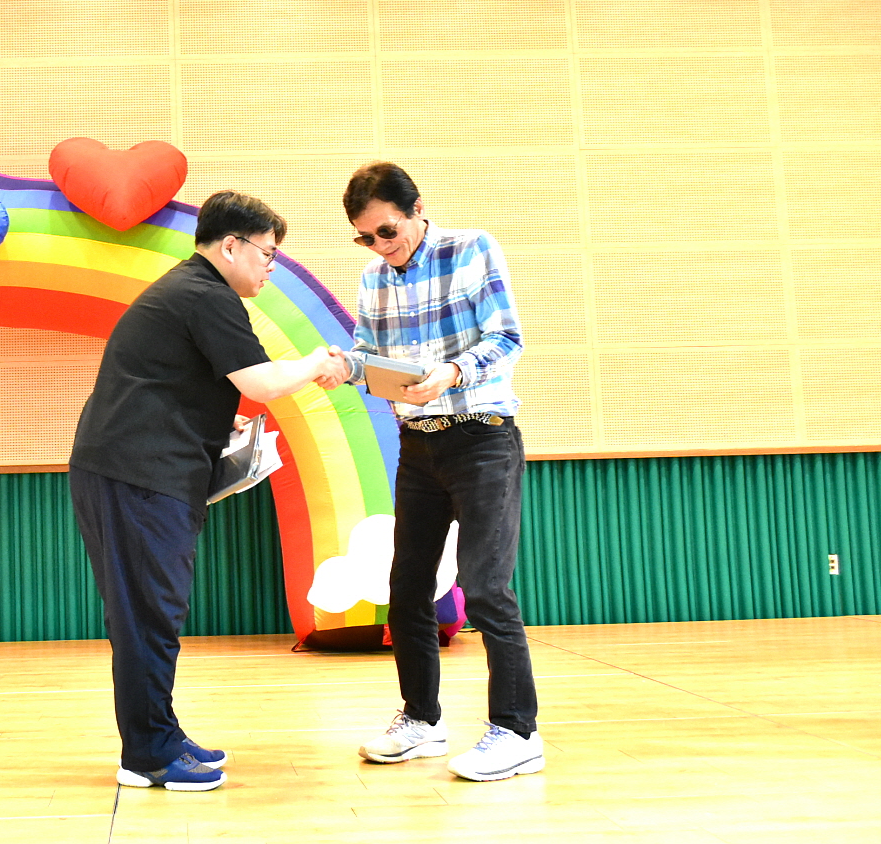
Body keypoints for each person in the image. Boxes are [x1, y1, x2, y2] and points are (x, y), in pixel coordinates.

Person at [69, 190, 350, 791]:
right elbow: (264, 382)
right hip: (138, 475)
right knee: (149, 613)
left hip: (138, 471)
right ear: (230, 246)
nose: (271, 267)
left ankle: (159, 735)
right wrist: (319, 362)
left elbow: (176, 383)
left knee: (154, 611)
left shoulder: (191, 291)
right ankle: (147, 755)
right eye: (267, 254)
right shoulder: (206, 295)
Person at [333, 161, 543, 782]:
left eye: (387, 231)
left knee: (485, 587)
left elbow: (507, 338)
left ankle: (517, 731)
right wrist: (342, 366)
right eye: (365, 237)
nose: (379, 246)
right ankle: (421, 719)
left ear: (417, 210)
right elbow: (367, 355)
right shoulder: (373, 278)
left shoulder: (472, 249)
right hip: (418, 445)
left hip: (483, 439)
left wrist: (451, 373)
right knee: (406, 588)